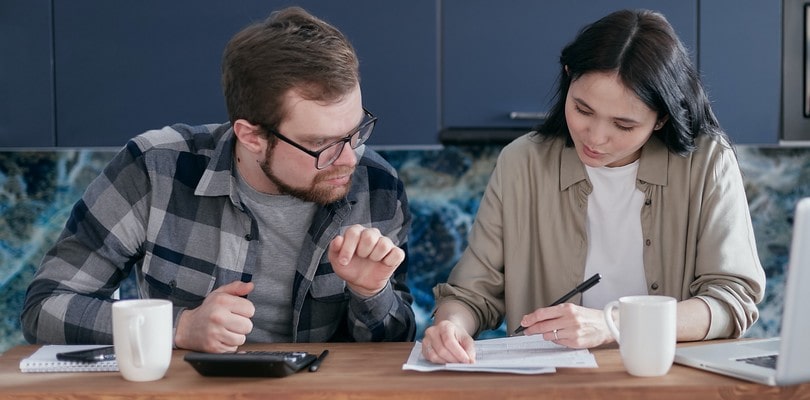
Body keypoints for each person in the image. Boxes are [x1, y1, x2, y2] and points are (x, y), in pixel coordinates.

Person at [21, 6, 415, 353]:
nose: (348, 158)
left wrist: (371, 293)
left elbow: (393, 352)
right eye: (321, 144)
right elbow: (45, 308)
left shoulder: (377, 187)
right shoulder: (154, 170)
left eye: (355, 132)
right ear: (252, 136)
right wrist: (179, 328)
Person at [422, 9, 766, 364]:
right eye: (582, 110)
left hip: (669, 381)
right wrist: (451, 326)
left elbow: (731, 300)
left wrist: (611, 324)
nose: (596, 138)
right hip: (552, 383)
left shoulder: (706, 162)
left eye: (623, 124)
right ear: (568, 77)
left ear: (661, 117)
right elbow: (470, 294)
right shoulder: (521, 163)